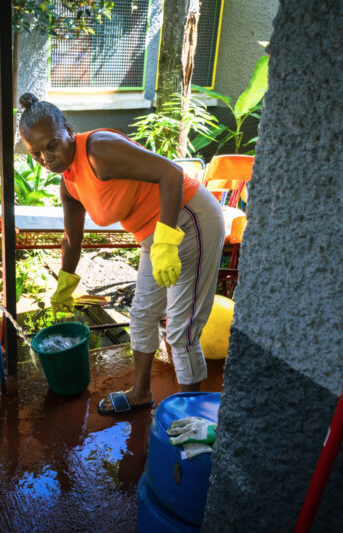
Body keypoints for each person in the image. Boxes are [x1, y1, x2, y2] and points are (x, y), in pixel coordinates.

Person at [18, 93, 225, 415]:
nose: (46, 159)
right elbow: (73, 238)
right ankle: (142, 393)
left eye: (52, 145)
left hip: (189, 217)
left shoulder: (99, 149)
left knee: (181, 327)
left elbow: (170, 173)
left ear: (68, 131)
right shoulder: (70, 184)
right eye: (35, 153)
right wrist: (65, 283)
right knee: (142, 314)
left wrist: (167, 241)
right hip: (155, 235)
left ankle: (190, 415)